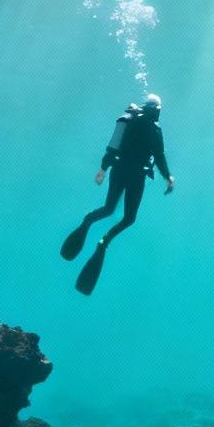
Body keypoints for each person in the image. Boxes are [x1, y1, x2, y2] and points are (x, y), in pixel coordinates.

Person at [60, 93, 175, 293]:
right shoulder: (155, 129)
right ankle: (105, 241)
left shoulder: (127, 120)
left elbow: (113, 146)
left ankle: (88, 221)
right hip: (137, 175)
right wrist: (167, 177)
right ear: (157, 110)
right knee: (129, 218)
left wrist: (103, 169)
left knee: (108, 209)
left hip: (120, 170)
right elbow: (159, 156)